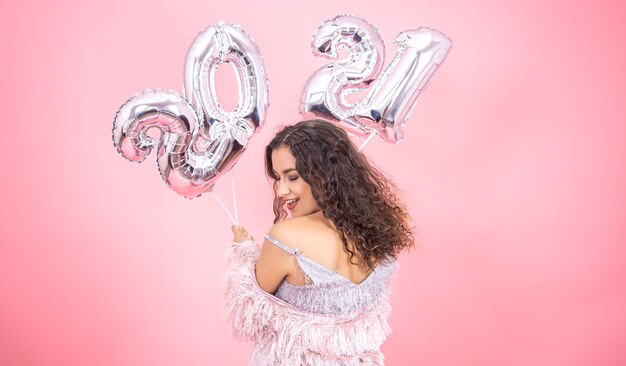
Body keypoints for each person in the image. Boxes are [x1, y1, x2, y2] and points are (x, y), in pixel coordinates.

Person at [225, 119, 414, 365]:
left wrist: (244, 251)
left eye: (292, 177)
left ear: (324, 173)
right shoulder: (377, 232)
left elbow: (248, 314)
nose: (281, 191)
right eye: (277, 178)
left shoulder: (286, 238)